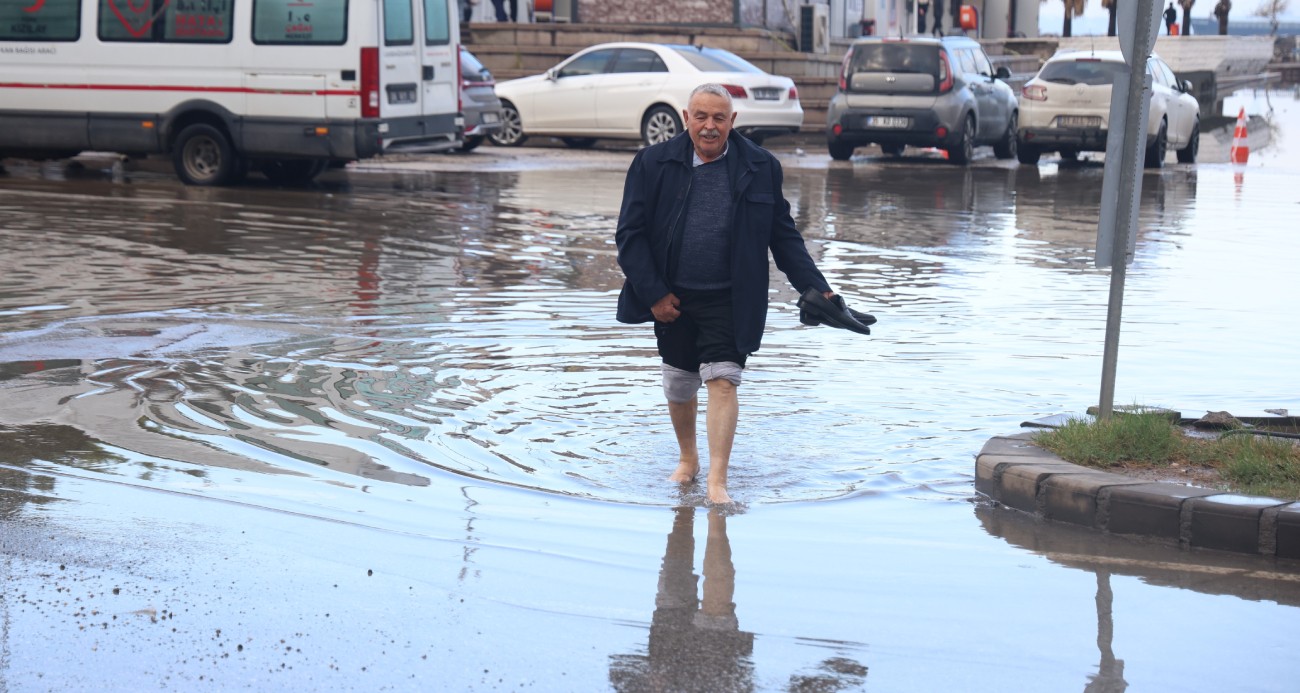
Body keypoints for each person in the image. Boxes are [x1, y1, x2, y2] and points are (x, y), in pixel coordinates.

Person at [615, 84, 851, 505]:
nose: (709, 126)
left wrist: (819, 289)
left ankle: (717, 483)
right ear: (686, 118)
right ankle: (688, 461)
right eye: (701, 117)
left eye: (718, 118)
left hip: (729, 296)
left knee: (724, 380)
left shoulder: (760, 166)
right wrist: (653, 295)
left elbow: (784, 237)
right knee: (679, 384)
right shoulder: (653, 163)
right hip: (673, 297)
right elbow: (630, 236)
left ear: (732, 121)